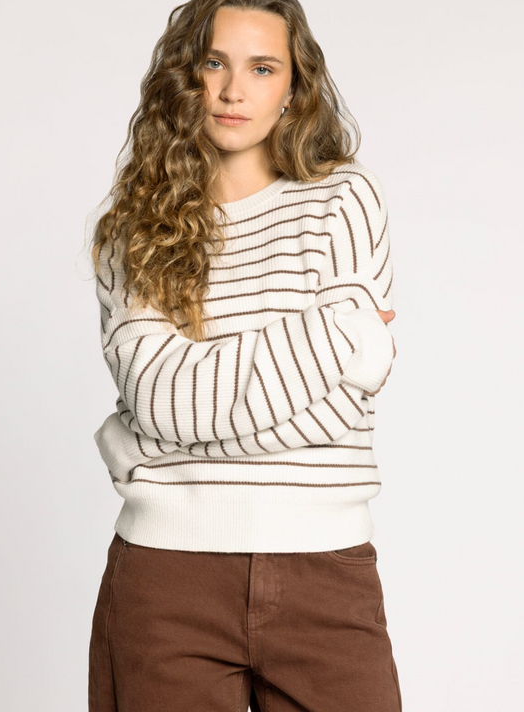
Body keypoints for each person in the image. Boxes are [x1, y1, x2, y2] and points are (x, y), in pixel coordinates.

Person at [87, 1, 402, 710]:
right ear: (183, 76)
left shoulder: (342, 200)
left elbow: (345, 402)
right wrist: (326, 344)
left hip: (326, 575)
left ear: (293, 87)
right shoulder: (134, 230)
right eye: (213, 64)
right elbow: (159, 398)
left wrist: (153, 442)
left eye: (262, 68)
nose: (233, 91)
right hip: (164, 583)